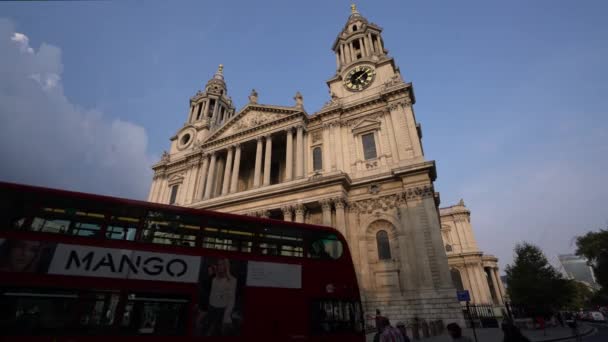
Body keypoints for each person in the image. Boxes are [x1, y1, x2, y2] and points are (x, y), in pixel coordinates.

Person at [198, 258, 237, 336]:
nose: (220, 267)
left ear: (226, 266)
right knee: (206, 329)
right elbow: (205, 291)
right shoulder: (213, 278)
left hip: (222, 310)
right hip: (210, 307)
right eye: (218, 264)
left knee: (217, 331)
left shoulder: (232, 280)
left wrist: (227, 315)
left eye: (222, 264)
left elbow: (231, 298)